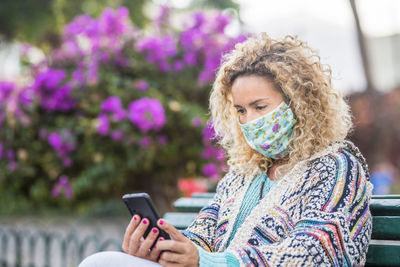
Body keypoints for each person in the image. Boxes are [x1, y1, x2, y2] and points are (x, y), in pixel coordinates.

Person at [79, 33, 373, 266]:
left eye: (260, 107)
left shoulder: (336, 167)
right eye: (241, 110)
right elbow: (201, 238)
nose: (249, 121)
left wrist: (209, 262)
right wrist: (162, 250)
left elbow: (317, 252)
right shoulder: (242, 175)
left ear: (300, 105)